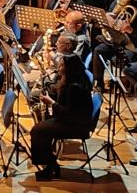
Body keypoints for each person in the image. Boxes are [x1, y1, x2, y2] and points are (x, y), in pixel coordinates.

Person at [31, 51, 95, 180]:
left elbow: (68, 113)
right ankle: (50, 163)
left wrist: (51, 102)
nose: (58, 68)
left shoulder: (74, 87)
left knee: (37, 130)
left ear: (69, 68)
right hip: (73, 120)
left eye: (61, 66)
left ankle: (50, 165)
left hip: (75, 125)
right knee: (43, 127)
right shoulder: (76, 79)